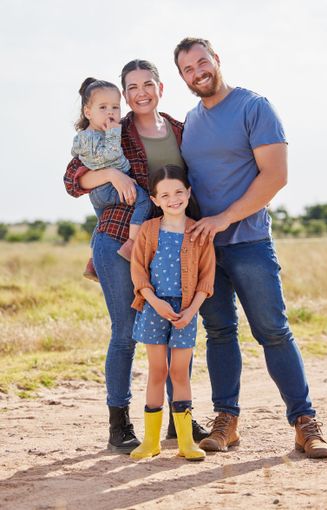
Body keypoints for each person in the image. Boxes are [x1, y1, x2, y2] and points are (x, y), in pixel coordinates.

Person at [173, 37, 327, 458]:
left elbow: (275, 175)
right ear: (182, 77)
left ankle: (304, 423)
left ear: (217, 61)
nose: (197, 73)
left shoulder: (253, 106)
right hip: (206, 250)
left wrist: (224, 218)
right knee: (220, 333)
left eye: (202, 63)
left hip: (249, 243)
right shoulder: (189, 121)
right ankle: (227, 422)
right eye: (187, 69)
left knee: (273, 331)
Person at [64, 60, 208, 454]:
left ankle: (181, 420)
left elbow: (196, 181)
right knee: (125, 332)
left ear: (161, 88)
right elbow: (72, 178)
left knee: (175, 327)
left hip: (171, 245)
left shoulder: (181, 130)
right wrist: (112, 175)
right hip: (117, 239)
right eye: (132, 87)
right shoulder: (114, 127)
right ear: (125, 95)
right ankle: (119, 424)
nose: (140, 92)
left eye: (148, 84)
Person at [129, 165, 215, 461]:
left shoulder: (199, 231)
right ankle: (150, 441)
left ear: (188, 193)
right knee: (158, 371)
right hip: (155, 308)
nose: (173, 198)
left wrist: (191, 310)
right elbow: (138, 270)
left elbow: (206, 277)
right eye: (165, 194)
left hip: (185, 312)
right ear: (154, 199)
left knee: (180, 372)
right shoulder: (150, 231)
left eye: (179, 191)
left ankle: (185, 441)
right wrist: (155, 301)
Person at [72, 77, 151, 280]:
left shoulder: (94, 135)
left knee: (101, 223)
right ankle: (132, 244)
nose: (110, 113)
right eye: (103, 107)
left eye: (115, 107)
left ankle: (92, 262)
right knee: (143, 200)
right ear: (88, 112)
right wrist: (114, 134)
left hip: (100, 193)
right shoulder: (90, 137)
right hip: (106, 188)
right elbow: (108, 156)